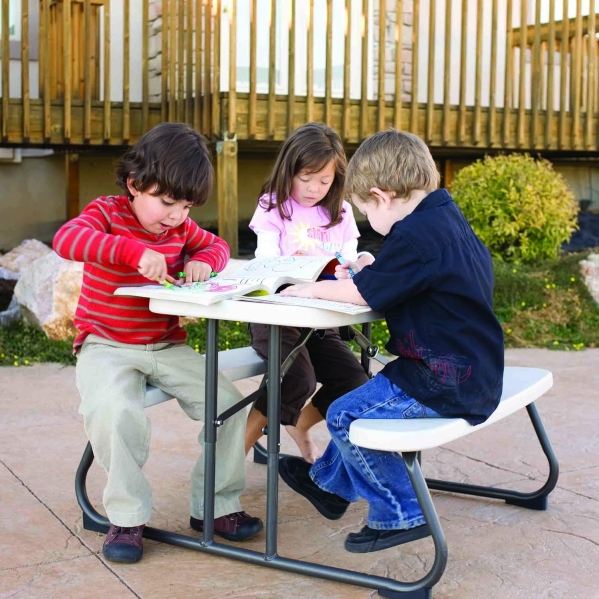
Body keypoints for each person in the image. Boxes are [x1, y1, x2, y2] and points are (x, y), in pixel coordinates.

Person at [277, 129, 505, 553]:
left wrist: (311, 288)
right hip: (469, 368)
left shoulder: (414, 237)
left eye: (365, 210)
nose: (369, 220)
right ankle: (330, 487)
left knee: (345, 413)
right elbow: (402, 276)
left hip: (445, 378)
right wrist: (369, 271)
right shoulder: (442, 217)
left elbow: (366, 295)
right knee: (363, 399)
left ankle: (401, 514)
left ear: (382, 197)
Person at [53, 123, 263, 564]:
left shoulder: (181, 229)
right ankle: (127, 517)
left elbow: (218, 246)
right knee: (115, 411)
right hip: (106, 345)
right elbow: (66, 239)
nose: (176, 216)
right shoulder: (107, 213)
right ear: (134, 184)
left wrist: (204, 262)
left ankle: (215, 506)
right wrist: (131, 251)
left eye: (185, 206)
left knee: (229, 405)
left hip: (166, 346)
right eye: (167, 203)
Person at [245, 122, 371, 463]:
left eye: (324, 181)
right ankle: (231, 456)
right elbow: (264, 261)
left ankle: (300, 424)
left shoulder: (340, 211)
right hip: (277, 317)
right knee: (297, 378)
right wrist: (292, 264)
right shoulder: (274, 205)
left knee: (354, 379)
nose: (314, 188)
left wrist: (359, 263)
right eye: (305, 178)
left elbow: (348, 259)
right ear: (289, 170)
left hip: (321, 321)